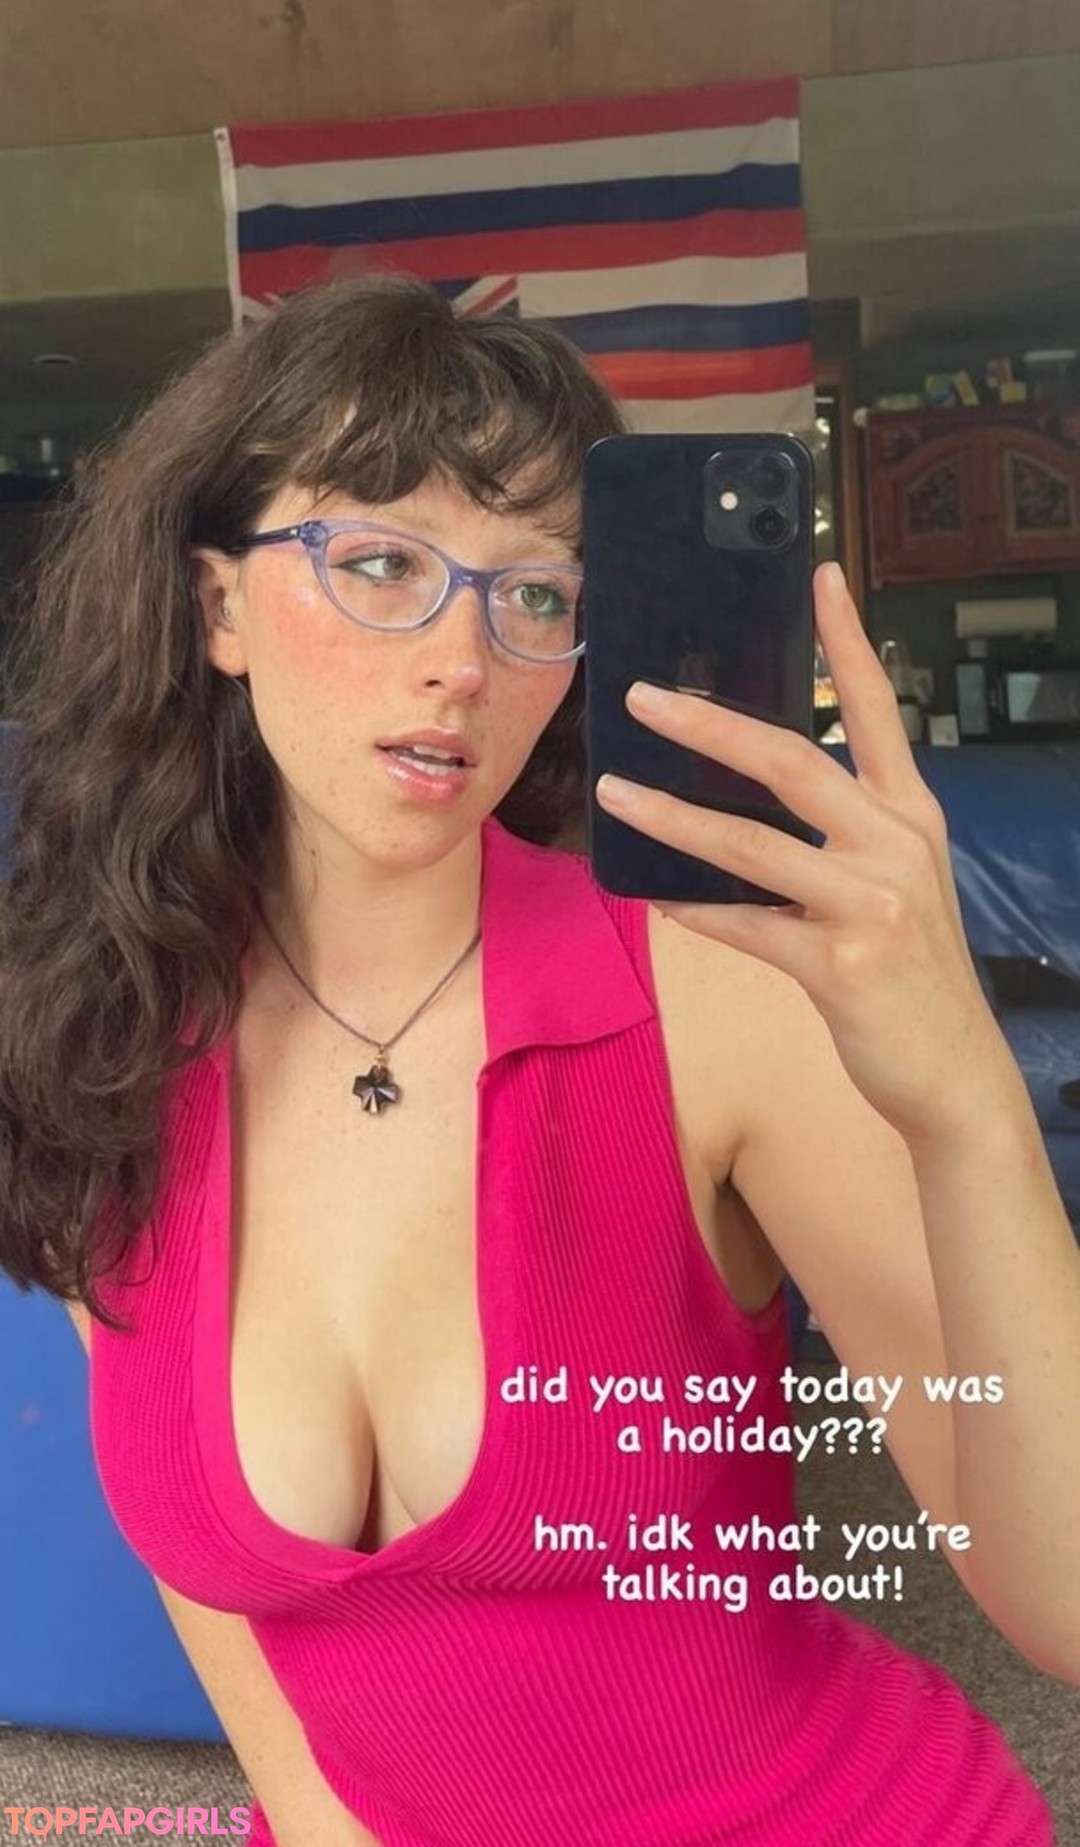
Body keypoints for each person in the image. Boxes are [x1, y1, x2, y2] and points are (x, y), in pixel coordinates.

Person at [0, 275, 1076, 1847]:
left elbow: (1062, 1604)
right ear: (218, 607)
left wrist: (969, 1106)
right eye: (381, 563)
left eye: (535, 593)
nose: (463, 658)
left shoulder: (714, 993)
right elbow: (236, 1629)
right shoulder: (101, 1036)